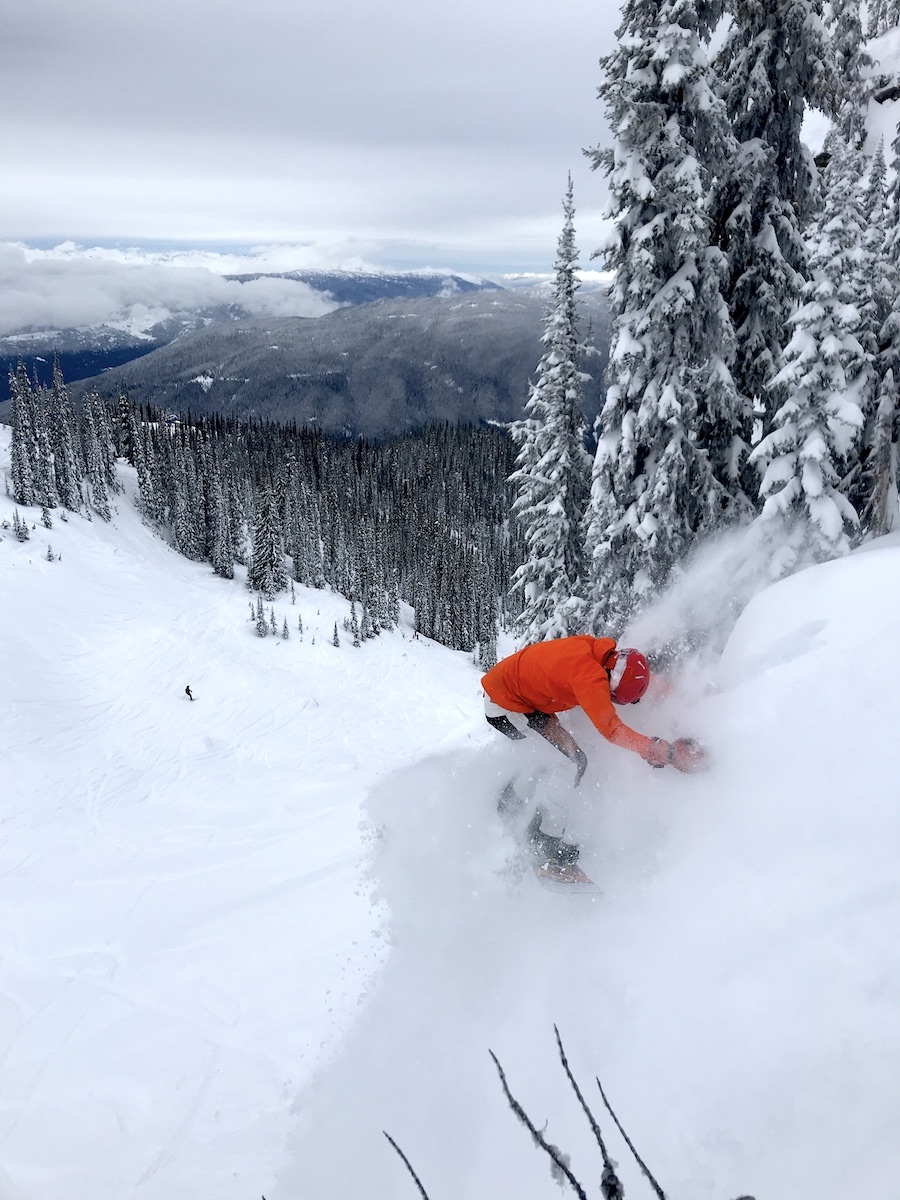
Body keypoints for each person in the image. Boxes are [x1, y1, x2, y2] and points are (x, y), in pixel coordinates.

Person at [481, 635, 707, 873]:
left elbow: (626, 678)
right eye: (614, 698)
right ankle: (545, 844)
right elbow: (612, 731)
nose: (611, 700)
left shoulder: (597, 651)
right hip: (505, 706)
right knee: (569, 762)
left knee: (558, 756)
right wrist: (656, 750)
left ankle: (512, 798)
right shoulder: (589, 678)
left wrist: (668, 691)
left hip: (519, 696)